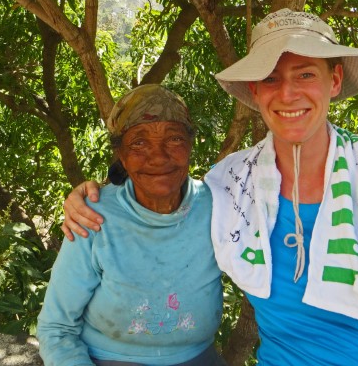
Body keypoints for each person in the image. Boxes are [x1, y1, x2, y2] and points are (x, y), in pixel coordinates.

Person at [62, 10, 358, 365]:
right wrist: (92, 194)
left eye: (305, 73)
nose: (288, 93)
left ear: (334, 81)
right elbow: (160, 191)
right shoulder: (230, 188)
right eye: (271, 79)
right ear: (255, 93)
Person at [37, 84, 225, 366]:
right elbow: (57, 328)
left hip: (199, 358)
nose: (159, 156)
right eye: (139, 142)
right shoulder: (93, 217)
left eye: (174, 139)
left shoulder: (217, 206)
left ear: (190, 144)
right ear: (121, 156)